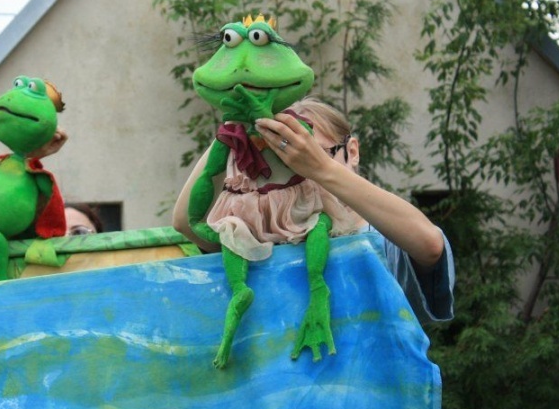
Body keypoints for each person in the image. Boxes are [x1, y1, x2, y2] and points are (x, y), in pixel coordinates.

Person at [173, 97, 454, 324]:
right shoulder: (267, 238)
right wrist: (236, 125)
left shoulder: (381, 234)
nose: (302, 173)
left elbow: (430, 245)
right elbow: (187, 222)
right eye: (286, 163)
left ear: (352, 151)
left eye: (315, 153)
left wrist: (321, 168)